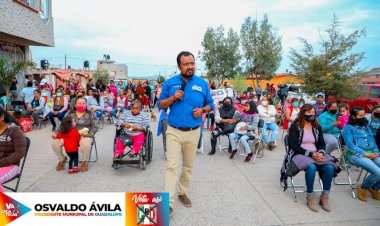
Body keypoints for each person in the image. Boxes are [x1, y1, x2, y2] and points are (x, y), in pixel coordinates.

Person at [158, 51, 214, 217]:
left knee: (188, 167)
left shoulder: (202, 84)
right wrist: (173, 98)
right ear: (179, 66)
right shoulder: (170, 83)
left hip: (193, 132)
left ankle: (183, 193)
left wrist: (202, 110)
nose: (190, 67)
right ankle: (168, 203)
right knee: (171, 167)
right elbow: (161, 104)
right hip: (174, 130)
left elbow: (210, 104)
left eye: (192, 63)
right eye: (186, 64)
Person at [281, 104, 338, 212]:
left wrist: (321, 153)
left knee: (329, 167)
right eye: (309, 112)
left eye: (313, 112)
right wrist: (311, 154)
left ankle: (325, 196)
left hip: (316, 153)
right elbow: (293, 145)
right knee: (311, 167)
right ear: (303, 113)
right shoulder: (295, 126)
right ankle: (310, 196)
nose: (312, 114)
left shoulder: (317, 126)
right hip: (299, 153)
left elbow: (321, 143)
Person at [342, 106, 380, 202]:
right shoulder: (348, 128)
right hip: (355, 155)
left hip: (371, 153)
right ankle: (363, 187)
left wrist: (376, 152)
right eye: (360, 115)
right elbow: (350, 145)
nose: (363, 117)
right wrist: (365, 154)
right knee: (378, 172)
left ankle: (374, 187)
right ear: (354, 117)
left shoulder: (365, 127)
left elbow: (373, 141)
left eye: (364, 115)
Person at [52, 97, 98, 172]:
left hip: (84, 135)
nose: (81, 104)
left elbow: (96, 126)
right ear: (75, 105)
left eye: (83, 103)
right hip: (69, 135)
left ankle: (84, 162)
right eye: (79, 103)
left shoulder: (90, 113)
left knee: (86, 143)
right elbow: (62, 124)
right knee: (55, 143)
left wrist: (89, 134)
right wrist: (56, 133)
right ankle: (62, 160)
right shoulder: (70, 113)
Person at [0, 108, 26, 192]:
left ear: (2, 117)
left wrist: (2, 162)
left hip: (11, 165)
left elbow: (20, 152)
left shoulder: (15, 130)